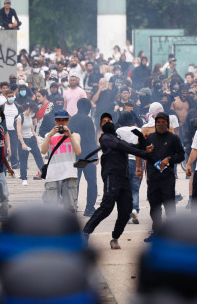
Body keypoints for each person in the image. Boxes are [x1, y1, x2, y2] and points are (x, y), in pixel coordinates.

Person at [83, 112, 153, 249]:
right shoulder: (105, 138)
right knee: (106, 207)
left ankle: (115, 238)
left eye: (109, 120)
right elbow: (127, 148)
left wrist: (141, 141)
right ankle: (85, 232)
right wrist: (143, 153)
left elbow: (135, 147)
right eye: (104, 121)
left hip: (124, 177)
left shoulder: (118, 139)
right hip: (112, 177)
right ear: (100, 125)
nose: (107, 122)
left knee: (126, 211)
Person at [143, 112, 184, 241]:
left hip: (167, 178)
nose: (160, 124)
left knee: (169, 206)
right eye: (158, 122)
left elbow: (181, 156)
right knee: (154, 207)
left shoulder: (173, 138)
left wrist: (169, 159)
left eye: (163, 122)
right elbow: (145, 155)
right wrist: (147, 152)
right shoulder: (150, 137)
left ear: (167, 123)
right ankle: (157, 233)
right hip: (153, 178)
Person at [40, 109, 82, 212]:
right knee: (51, 208)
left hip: (69, 173)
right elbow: (43, 150)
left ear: (68, 120)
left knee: (70, 208)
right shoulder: (49, 136)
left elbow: (78, 151)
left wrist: (70, 135)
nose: (61, 122)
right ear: (55, 121)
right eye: (59, 120)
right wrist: (50, 134)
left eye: (64, 120)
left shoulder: (75, 135)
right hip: (53, 174)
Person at [68, 98, 97, 215]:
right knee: (91, 182)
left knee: (76, 182)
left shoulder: (72, 120)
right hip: (88, 157)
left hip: (75, 156)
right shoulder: (88, 119)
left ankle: (73, 206)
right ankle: (89, 208)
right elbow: (91, 139)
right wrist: (95, 155)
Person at [15, 102, 44, 185]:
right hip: (23, 139)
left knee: (38, 156)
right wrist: (23, 143)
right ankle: (24, 178)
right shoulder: (20, 117)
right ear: (28, 108)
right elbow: (19, 132)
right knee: (23, 159)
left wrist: (36, 137)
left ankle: (44, 173)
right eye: (32, 110)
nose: (33, 113)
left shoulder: (30, 117)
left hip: (31, 139)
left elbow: (32, 129)